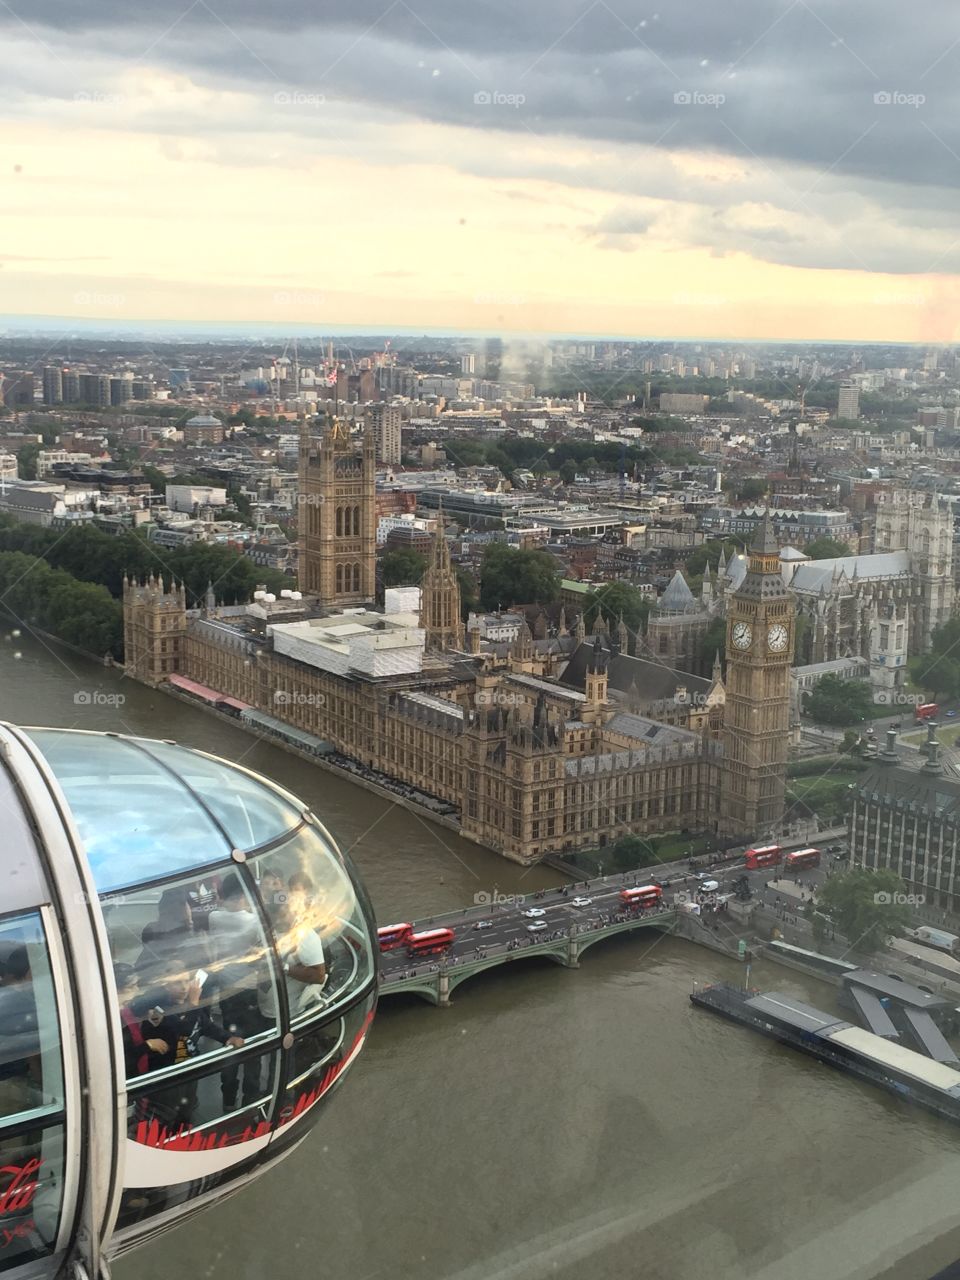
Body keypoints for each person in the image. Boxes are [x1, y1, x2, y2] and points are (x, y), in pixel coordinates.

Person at [208, 874, 265, 1110]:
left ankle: (228, 1098)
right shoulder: (253, 922)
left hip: (225, 992)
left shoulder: (214, 917)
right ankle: (250, 1099)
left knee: (230, 1043)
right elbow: (262, 953)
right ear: (243, 895)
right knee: (253, 1049)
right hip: (248, 992)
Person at [258, 871, 327, 1026]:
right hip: (265, 1009)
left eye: (288, 912)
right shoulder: (266, 930)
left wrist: (284, 968)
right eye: (282, 914)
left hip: (288, 1015)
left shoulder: (306, 936)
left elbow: (319, 975)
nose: (291, 915)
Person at [115, 962, 167, 1080]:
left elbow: (135, 1035)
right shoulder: (110, 1019)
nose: (137, 989)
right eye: (131, 986)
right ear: (117, 990)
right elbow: (121, 1058)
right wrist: (147, 1045)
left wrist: (149, 1023)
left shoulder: (125, 1009)